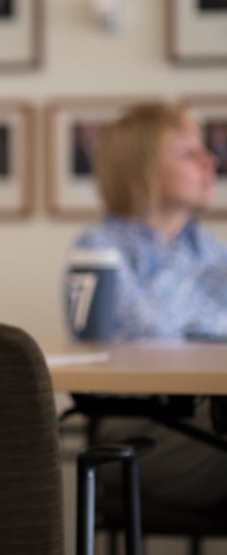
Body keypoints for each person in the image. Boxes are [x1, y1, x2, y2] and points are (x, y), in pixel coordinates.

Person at [66, 102, 227, 509]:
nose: (210, 161)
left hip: (211, 418)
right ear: (143, 168)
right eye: (189, 153)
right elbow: (150, 332)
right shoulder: (98, 248)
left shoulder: (209, 247)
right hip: (142, 429)